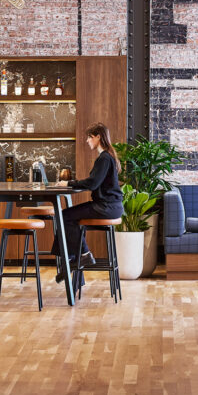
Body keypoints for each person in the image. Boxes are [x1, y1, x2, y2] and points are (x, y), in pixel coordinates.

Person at [53, 122, 124, 284]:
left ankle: (81, 256)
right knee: (67, 216)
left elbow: (92, 183)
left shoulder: (104, 158)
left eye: (89, 137)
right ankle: (74, 260)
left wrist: (68, 183)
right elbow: (94, 182)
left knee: (64, 216)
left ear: (98, 137)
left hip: (106, 207)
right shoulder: (107, 157)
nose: (87, 141)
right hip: (111, 206)